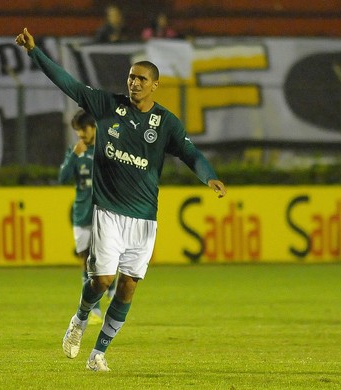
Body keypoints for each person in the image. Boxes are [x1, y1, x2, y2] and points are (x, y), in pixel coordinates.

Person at [16, 27, 227, 371]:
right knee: (102, 280)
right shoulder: (107, 106)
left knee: (128, 287)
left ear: (155, 85)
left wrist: (210, 177)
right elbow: (68, 84)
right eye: (131, 77)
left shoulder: (165, 123)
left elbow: (191, 154)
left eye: (142, 79)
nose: (134, 83)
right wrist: (34, 52)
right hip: (109, 212)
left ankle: (98, 354)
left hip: (145, 219)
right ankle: (80, 319)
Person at [58, 109, 116, 326]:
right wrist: (74, 155)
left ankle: (111, 286)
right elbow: (62, 177)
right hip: (82, 214)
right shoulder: (75, 151)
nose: (80, 135)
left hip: (104, 212)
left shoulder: (106, 149)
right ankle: (95, 311)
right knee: (86, 261)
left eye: (83, 130)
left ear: (93, 128)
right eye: (77, 131)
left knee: (106, 258)